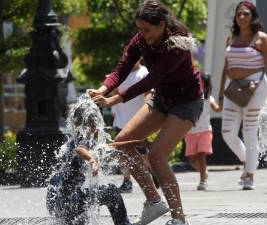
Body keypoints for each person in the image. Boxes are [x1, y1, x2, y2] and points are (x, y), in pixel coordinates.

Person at [87, 0, 203, 224]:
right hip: (162, 99)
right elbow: (122, 67)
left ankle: (179, 219)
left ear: (161, 25)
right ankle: (154, 201)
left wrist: (113, 100)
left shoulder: (177, 42)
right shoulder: (142, 39)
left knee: (157, 155)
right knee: (121, 143)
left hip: (187, 101)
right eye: (139, 29)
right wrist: (101, 90)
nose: (141, 34)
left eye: (146, 29)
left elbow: (152, 78)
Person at [218, 1, 267, 190]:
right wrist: (220, 94)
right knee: (227, 132)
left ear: (253, 16)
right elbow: (225, 68)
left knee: (249, 132)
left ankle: (250, 175)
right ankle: (249, 162)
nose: (242, 17)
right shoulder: (231, 37)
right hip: (232, 89)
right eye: (239, 14)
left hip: (256, 88)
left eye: (246, 14)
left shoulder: (262, 38)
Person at [46, 96, 132, 225]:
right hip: (74, 199)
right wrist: (92, 160)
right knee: (111, 191)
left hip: (61, 201)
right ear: (92, 123)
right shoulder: (86, 135)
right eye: (100, 121)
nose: (103, 125)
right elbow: (80, 149)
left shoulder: (74, 137)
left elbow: (108, 147)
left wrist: (137, 143)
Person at [111, 60, 153, 193]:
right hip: (120, 119)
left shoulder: (144, 72)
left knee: (142, 153)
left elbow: (148, 93)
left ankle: (151, 174)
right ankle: (127, 181)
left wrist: (144, 113)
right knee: (120, 152)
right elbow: (116, 93)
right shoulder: (121, 73)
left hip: (136, 120)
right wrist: (113, 110)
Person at [185, 74, 221, 191]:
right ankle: (204, 172)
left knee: (201, 155)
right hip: (190, 131)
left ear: (205, 85)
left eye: (201, 83)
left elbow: (217, 109)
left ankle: (203, 181)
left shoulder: (208, 98)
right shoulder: (190, 96)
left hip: (205, 130)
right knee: (191, 158)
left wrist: (225, 100)